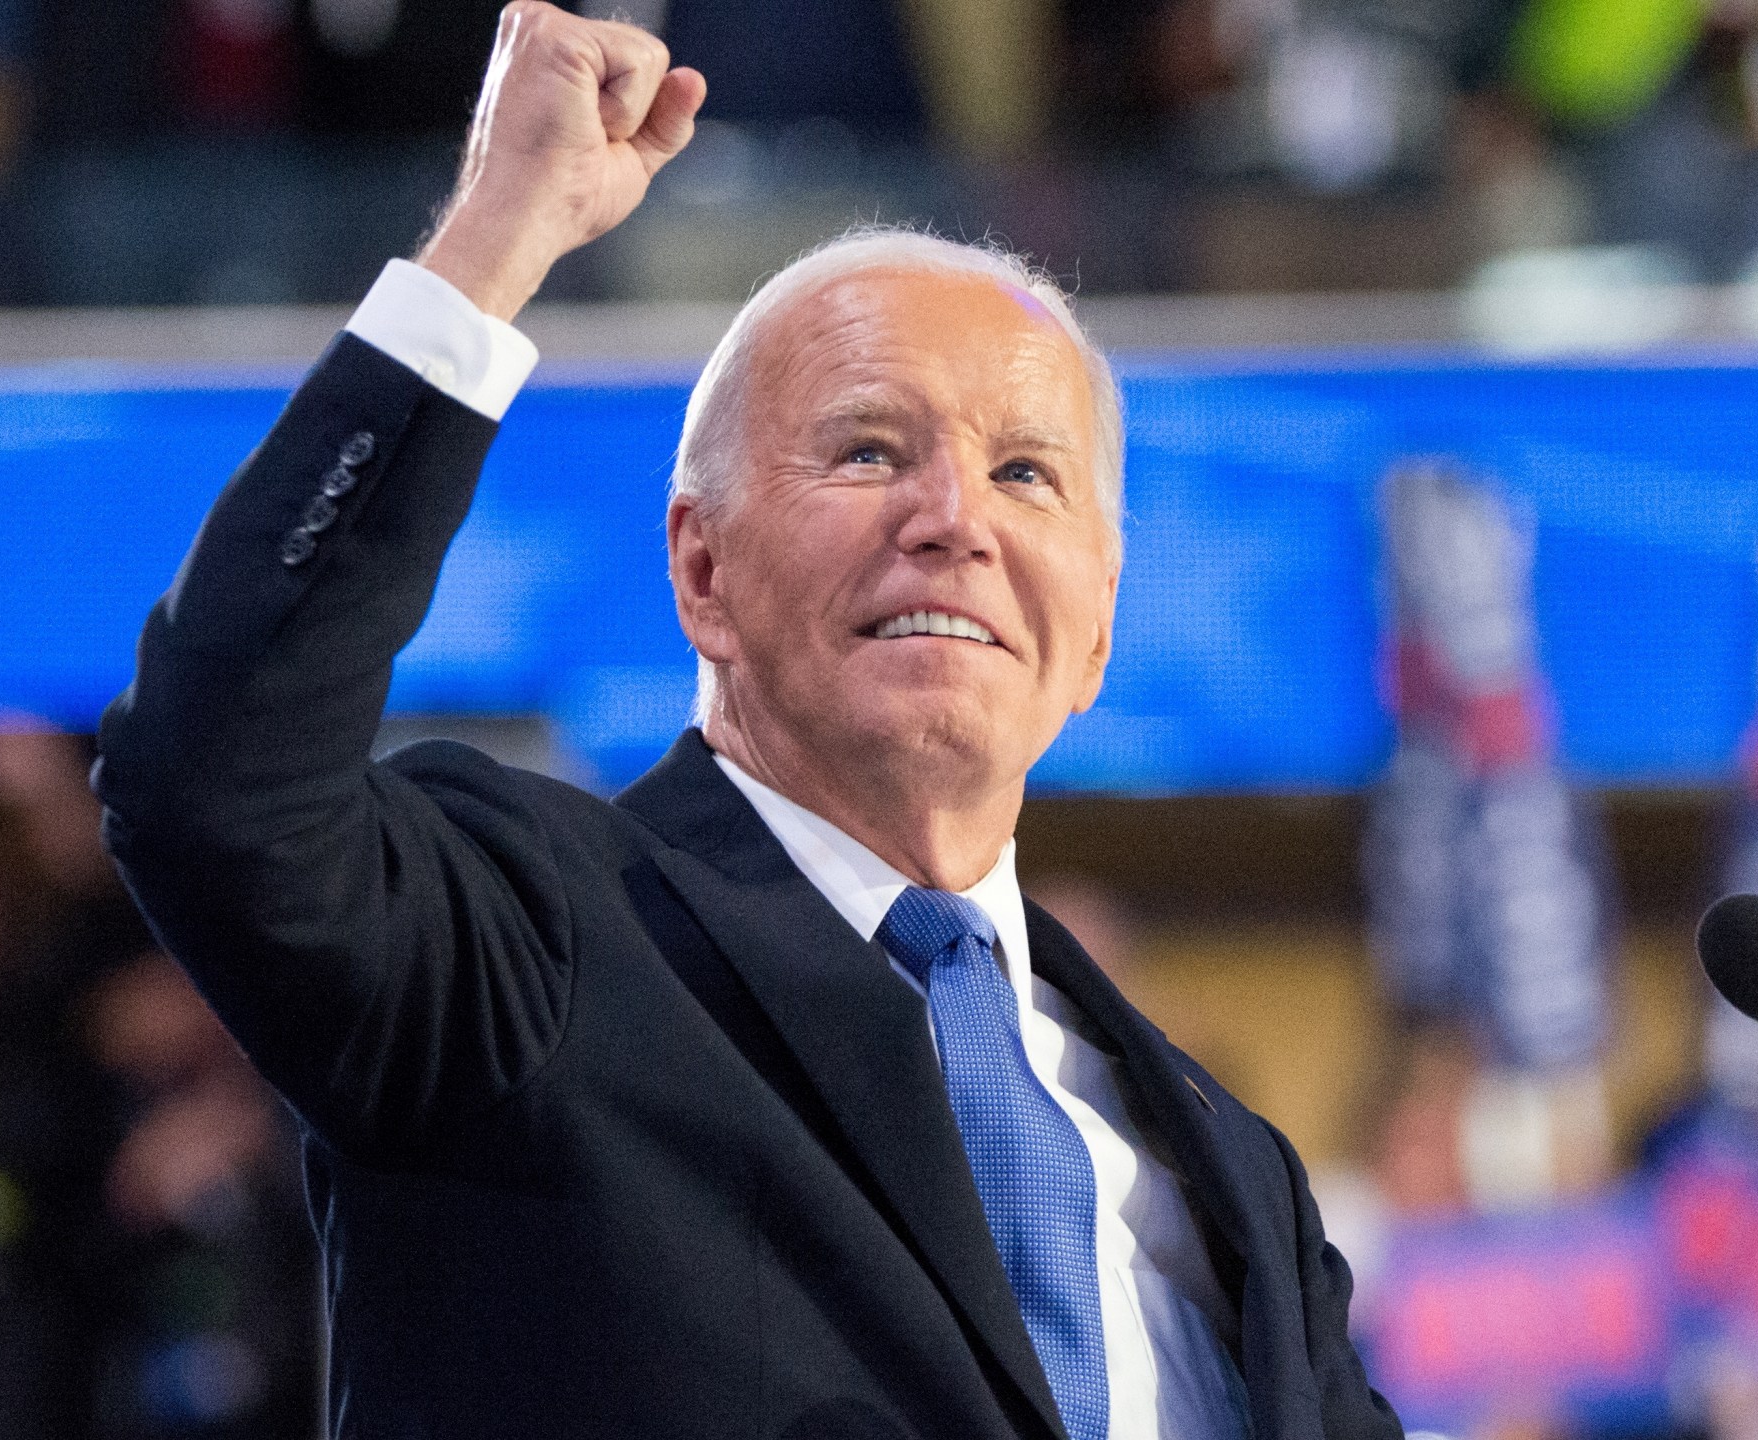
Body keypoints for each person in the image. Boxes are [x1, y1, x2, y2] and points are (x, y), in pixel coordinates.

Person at [93, 5, 1400, 1437]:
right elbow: (211, 781)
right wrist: (489, 248)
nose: (953, 519)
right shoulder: (524, 953)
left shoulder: (1237, 1180)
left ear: (1093, 632)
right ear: (702, 570)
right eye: (868, 449)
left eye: (1026, 473)